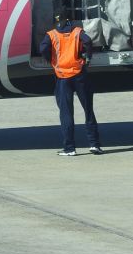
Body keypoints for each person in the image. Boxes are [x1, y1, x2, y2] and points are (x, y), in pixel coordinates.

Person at [39, 10, 103, 156]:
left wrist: (51, 58)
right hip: (79, 74)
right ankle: (94, 144)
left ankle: (70, 148)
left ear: (56, 21)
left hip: (62, 76)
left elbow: (42, 48)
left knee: (66, 113)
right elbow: (87, 41)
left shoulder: (52, 34)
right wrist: (88, 56)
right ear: (70, 20)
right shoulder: (77, 32)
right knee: (88, 110)